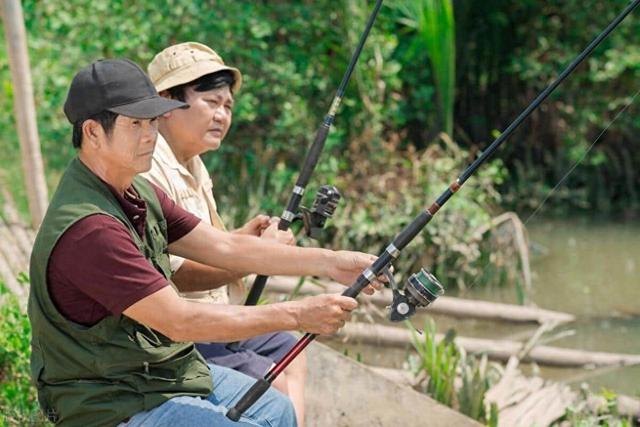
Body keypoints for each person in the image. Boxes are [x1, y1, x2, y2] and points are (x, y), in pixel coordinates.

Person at [28, 58, 381, 427]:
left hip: (153, 374)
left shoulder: (138, 190)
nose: (150, 135)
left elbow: (225, 248)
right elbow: (180, 321)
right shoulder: (91, 229)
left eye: (152, 121)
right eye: (136, 123)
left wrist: (332, 262)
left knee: (278, 410)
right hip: (107, 400)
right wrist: (297, 313)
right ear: (93, 133)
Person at [142, 42, 307, 425]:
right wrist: (251, 256)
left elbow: (205, 244)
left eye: (228, 106)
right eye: (211, 102)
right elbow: (176, 270)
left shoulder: (196, 165)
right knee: (273, 385)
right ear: (167, 100)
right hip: (181, 332)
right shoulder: (148, 168)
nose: (222, 116)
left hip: (218, 315)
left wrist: (243, 240)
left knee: (290, 347)